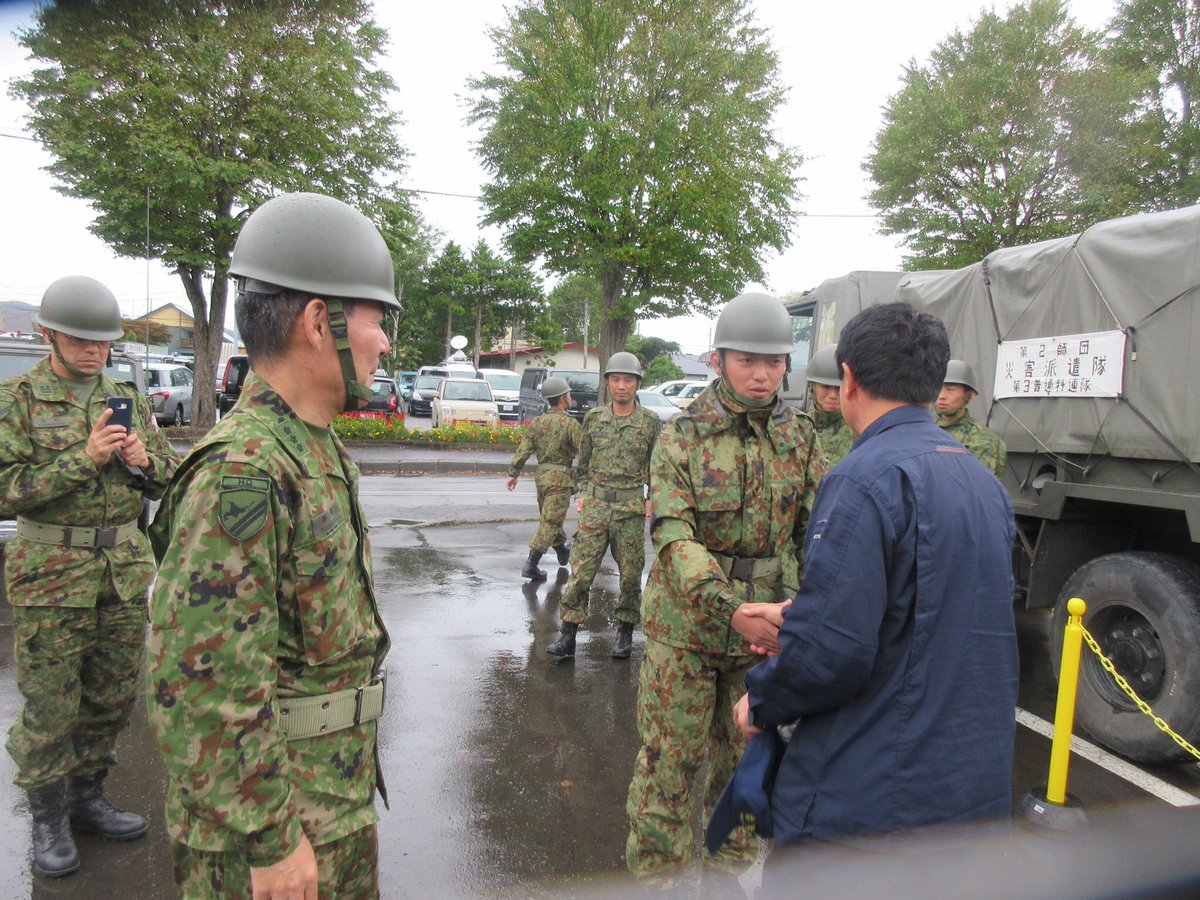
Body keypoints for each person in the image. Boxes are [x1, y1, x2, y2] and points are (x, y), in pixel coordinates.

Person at [146, 192, 397, 898]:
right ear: (321, 321)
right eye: (379, 319)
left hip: (327, 805)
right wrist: (271, 841)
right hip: (274, 836)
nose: (387, 343)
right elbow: (202, 682)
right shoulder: (245, 471)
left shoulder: (309, 447)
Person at [733, 303, 1018, 875]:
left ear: (850, 378)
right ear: (933, 384)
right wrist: (802, 612)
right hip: (967, 798)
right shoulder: (981, 481)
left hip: (867, 808)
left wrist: (761, 699)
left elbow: (831, 656)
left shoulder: (864, 478)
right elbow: (932, 608)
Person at [625, 292, 826, 882]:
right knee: (670, 764)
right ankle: (655, 880)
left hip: (762, 633)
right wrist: (730, 608)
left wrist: (803, 611)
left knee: (746, 762)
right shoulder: (681, 436)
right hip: (684, 632)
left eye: (774, 362)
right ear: (717, 360)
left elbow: (819, 533)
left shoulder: (802, 437)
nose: (762, 374)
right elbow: (672, 535)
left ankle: (727, 877)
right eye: (746, 361)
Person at [0, 275, 178, 878]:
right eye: (79, 338)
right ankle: (48, 818)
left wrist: (144, 460)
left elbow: (169, 480)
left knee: (110, 697)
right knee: (52, 705)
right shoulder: (17, 400)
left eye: (101, 340)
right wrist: (85, 459)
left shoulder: (124, 395)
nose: (92, 350)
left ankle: (86, 796)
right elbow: (5, 491)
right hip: (52, 576)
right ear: (48, 333)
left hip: (122, 574)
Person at [546, 351, 661, 659]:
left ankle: (624, 632)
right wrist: (583, 492)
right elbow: (582, 464)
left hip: (630, 509)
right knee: (581, 571)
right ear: (608, 382)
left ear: (637, 384)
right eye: (615, 380)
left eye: (627, 380)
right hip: (596, 507)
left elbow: (658, 466)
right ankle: (568, 635)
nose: (621, 386)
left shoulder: (650, 422)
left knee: (630, 574)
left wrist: (651, 500)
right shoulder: (594, 418)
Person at [506, 377, 582, 581]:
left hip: (542, 479)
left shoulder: (538, 422)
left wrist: (514, 473)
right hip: (560, 480)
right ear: (563, 398)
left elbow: (524, 449)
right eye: (569, 394)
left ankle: (562, 551)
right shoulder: (570, 424)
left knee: (551, 518)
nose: (571, 397)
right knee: (550, 522)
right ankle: (531, 565)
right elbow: (584, 452)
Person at [935, 359, 1006, 477]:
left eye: (950, 390)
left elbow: (982, 488)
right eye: (939, 389)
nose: (942, 396)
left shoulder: (985, 441)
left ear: (969, 396)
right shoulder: (920, 429)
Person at [805, 344, 853, 465]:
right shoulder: (798, 427)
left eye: (838, 388)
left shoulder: (859, 430)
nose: (832, 395)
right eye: (825, 387)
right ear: (813, 387)